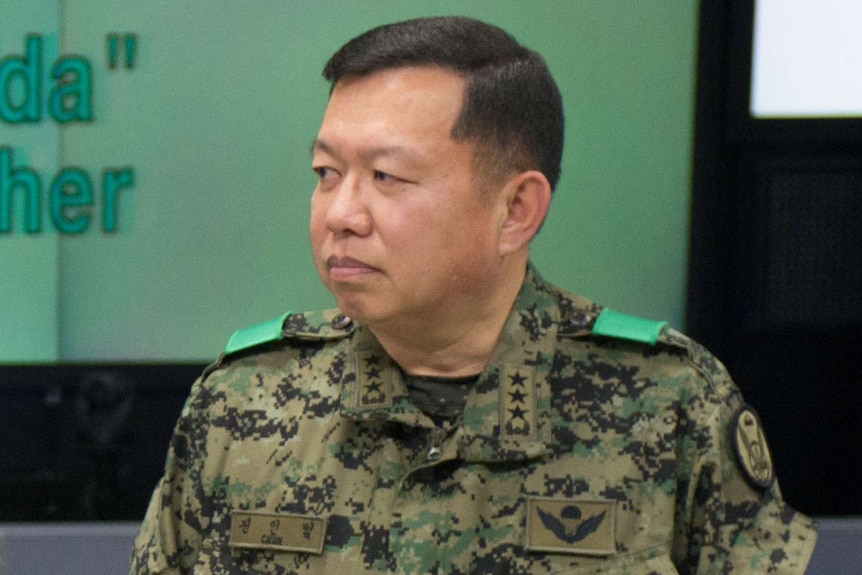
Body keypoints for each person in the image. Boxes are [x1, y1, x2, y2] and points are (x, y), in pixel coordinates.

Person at [130, 16, 817, 574]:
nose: (341, 212)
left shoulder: (670, 406)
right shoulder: (242, 404)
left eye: (387, 177)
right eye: (326, 172)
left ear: (516, 209)